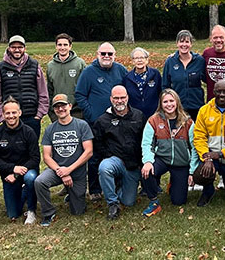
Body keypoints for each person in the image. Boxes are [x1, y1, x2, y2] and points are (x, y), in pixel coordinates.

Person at [75, 42, 127, 201]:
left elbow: (127, 91)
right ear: (97, 54)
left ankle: (118, 185)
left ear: (114, 55)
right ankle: (95, 189)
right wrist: (91, 114)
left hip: (117, 121)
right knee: (95, 155)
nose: (106, 56)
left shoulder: (120, 70)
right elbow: (80, 95)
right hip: (96, 123)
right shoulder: (88, 72)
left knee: (116, 152)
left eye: (110, 54)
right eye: (103, 53)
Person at [35, 94, 94, 227]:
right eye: (57, 107)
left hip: (77, 172)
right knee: (39, 182)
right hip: (58, 171)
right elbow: (46, 156)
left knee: (78, 211)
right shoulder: (50, 129)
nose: (60, 109)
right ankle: (48, 212)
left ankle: (71, 193)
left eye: (63, 105)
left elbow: (88, 151)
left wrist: (69, 170)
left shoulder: (82, 125)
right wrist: (61, 171)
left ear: (70, 106)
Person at [140, 89, 197, 217]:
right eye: (165, 102)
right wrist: (148, 161)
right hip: (162, 159)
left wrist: (192, 171)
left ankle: (174, 184)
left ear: (177, 102)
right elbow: (146, 143)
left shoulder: (187, 122)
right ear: (161, 104)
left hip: (181, 163)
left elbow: (194, 148)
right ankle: (154, 202)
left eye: (171, 101)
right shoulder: (153, 120)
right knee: (147, 171)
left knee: (178, 201)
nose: (169, 104)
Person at [93, 86, 146, 220]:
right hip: (114, 161)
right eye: (116, 98)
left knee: (128, 202)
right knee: (105, 168)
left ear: (127, 97)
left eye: (122, 97)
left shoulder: (138, 116)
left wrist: (141, 163)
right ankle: (112, 203)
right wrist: (109, 156)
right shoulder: (103, 120)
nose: (119, 101)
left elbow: (144, 141)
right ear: (111, 99)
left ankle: (118, 187)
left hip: (133, 165)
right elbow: (98, 143)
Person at [0, 96, 40, 224]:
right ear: (3, 114)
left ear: (20, 113)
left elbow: (35, 158)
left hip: (27, 172)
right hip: (8, 176)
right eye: (8, 113)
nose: (11, 116)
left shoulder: (29, 132)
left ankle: (31, 210)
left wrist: (16, 173)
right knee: (13, 213)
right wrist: (11, 169)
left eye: (14, 112)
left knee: (30, 178)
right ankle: (24, 192)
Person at [0, 35, 49, 139]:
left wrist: (39, 115)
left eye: (20, 47)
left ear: (24, 48)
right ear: (9, 48)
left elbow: (43, 92)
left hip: (31, 116)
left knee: (31, 150)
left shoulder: (34, 65)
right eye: (13, 47)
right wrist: (1, 117)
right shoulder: (0, 68)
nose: (17, 50)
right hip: (10, 118)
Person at [162, 30, 206, 121]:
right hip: (178, 107)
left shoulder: (199, 61)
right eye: (181, 41)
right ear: (177, 43)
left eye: (187, 41)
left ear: (191, 44)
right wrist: (168, 103)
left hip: (196, 105)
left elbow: (207, 80)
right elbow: (165, 86)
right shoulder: (170, 61)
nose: (184, 45)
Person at [46, 33, 86, 122]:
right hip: (59, 110)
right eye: (59, 45)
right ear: (56, 46)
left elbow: (86, 87)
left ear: (70, 46)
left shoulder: (79, 64)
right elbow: (49, 89)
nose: (62, 47)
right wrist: (51, 111)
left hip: (77, 111)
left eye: (65, 45)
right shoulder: (50, 66)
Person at [122, 47, 162, 118]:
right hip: (135, 117)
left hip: (154, 115)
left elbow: (161, 93)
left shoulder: (155, 74)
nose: (139, 60)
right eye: (136, 58)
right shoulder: (127, 78)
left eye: (142, 57)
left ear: (147, 60)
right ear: (132, 61)